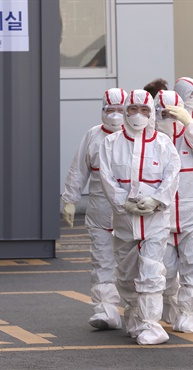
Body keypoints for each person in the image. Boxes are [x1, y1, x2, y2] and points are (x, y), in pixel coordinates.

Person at [99, 89, 180, 344]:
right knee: (125, 274)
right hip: (124, 223)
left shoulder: (163, 143)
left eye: (144, 110)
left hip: (155, 221)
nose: (138, 115)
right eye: (132, 109)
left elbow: (172, 174)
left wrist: (157, 199)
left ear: (152, 114)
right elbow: (106, 178)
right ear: (125, 112)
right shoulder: (110, 144)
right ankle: (134, 311)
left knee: (151, 272)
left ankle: (151, 324)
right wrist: (124, 203)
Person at [61, 88, 128, 330]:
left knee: (132, 264)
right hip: (100, 211)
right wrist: (69, 199)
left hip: (131, 213)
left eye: (121, 110)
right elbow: (79, 169)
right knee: (102, 261)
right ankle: (106, 310)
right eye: (110, 110)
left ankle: (137, 310)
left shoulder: (139, 137)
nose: (115, 115)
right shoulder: (93, 136)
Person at [154, 90, 193, 333]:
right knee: (164, 272)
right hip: (161, 219)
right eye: (164, 113)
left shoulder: (192, 136)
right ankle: (170, 304)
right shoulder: (152, 140)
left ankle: (190, 313)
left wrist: (189, 123)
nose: (169, 118)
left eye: (174, 113)